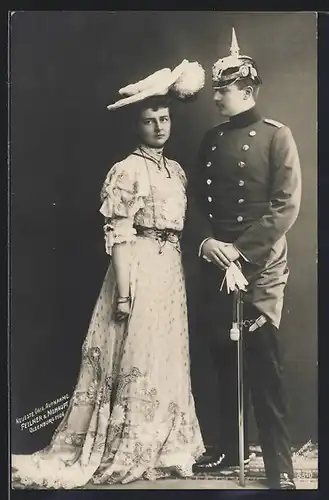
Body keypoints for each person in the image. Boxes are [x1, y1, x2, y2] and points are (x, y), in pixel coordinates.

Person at [12, 60, 206, 488]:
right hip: (135, 266)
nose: (158, 126)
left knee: (164, 355)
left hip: (169, 269)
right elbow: (118, 233)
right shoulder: (127, 170)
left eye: (164, 118)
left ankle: (165, 446)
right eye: (149, 120)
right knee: (133, 353)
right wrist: (123, 291)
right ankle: (127, 443)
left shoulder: (175, 171)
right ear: (135, 126)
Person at [189, 29, 302, 490]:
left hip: (259, 265)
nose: (216, 97)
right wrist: (206, 242)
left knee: (264, 366)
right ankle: (226, 450)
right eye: (215, 88)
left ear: (248, 91)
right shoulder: (212, 140)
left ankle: (279, 465)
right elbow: (192, 199)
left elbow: (285, 206)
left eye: (224, 90)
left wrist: (241, 250)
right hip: (217, 262)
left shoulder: (278, 137)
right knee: (222, 360)